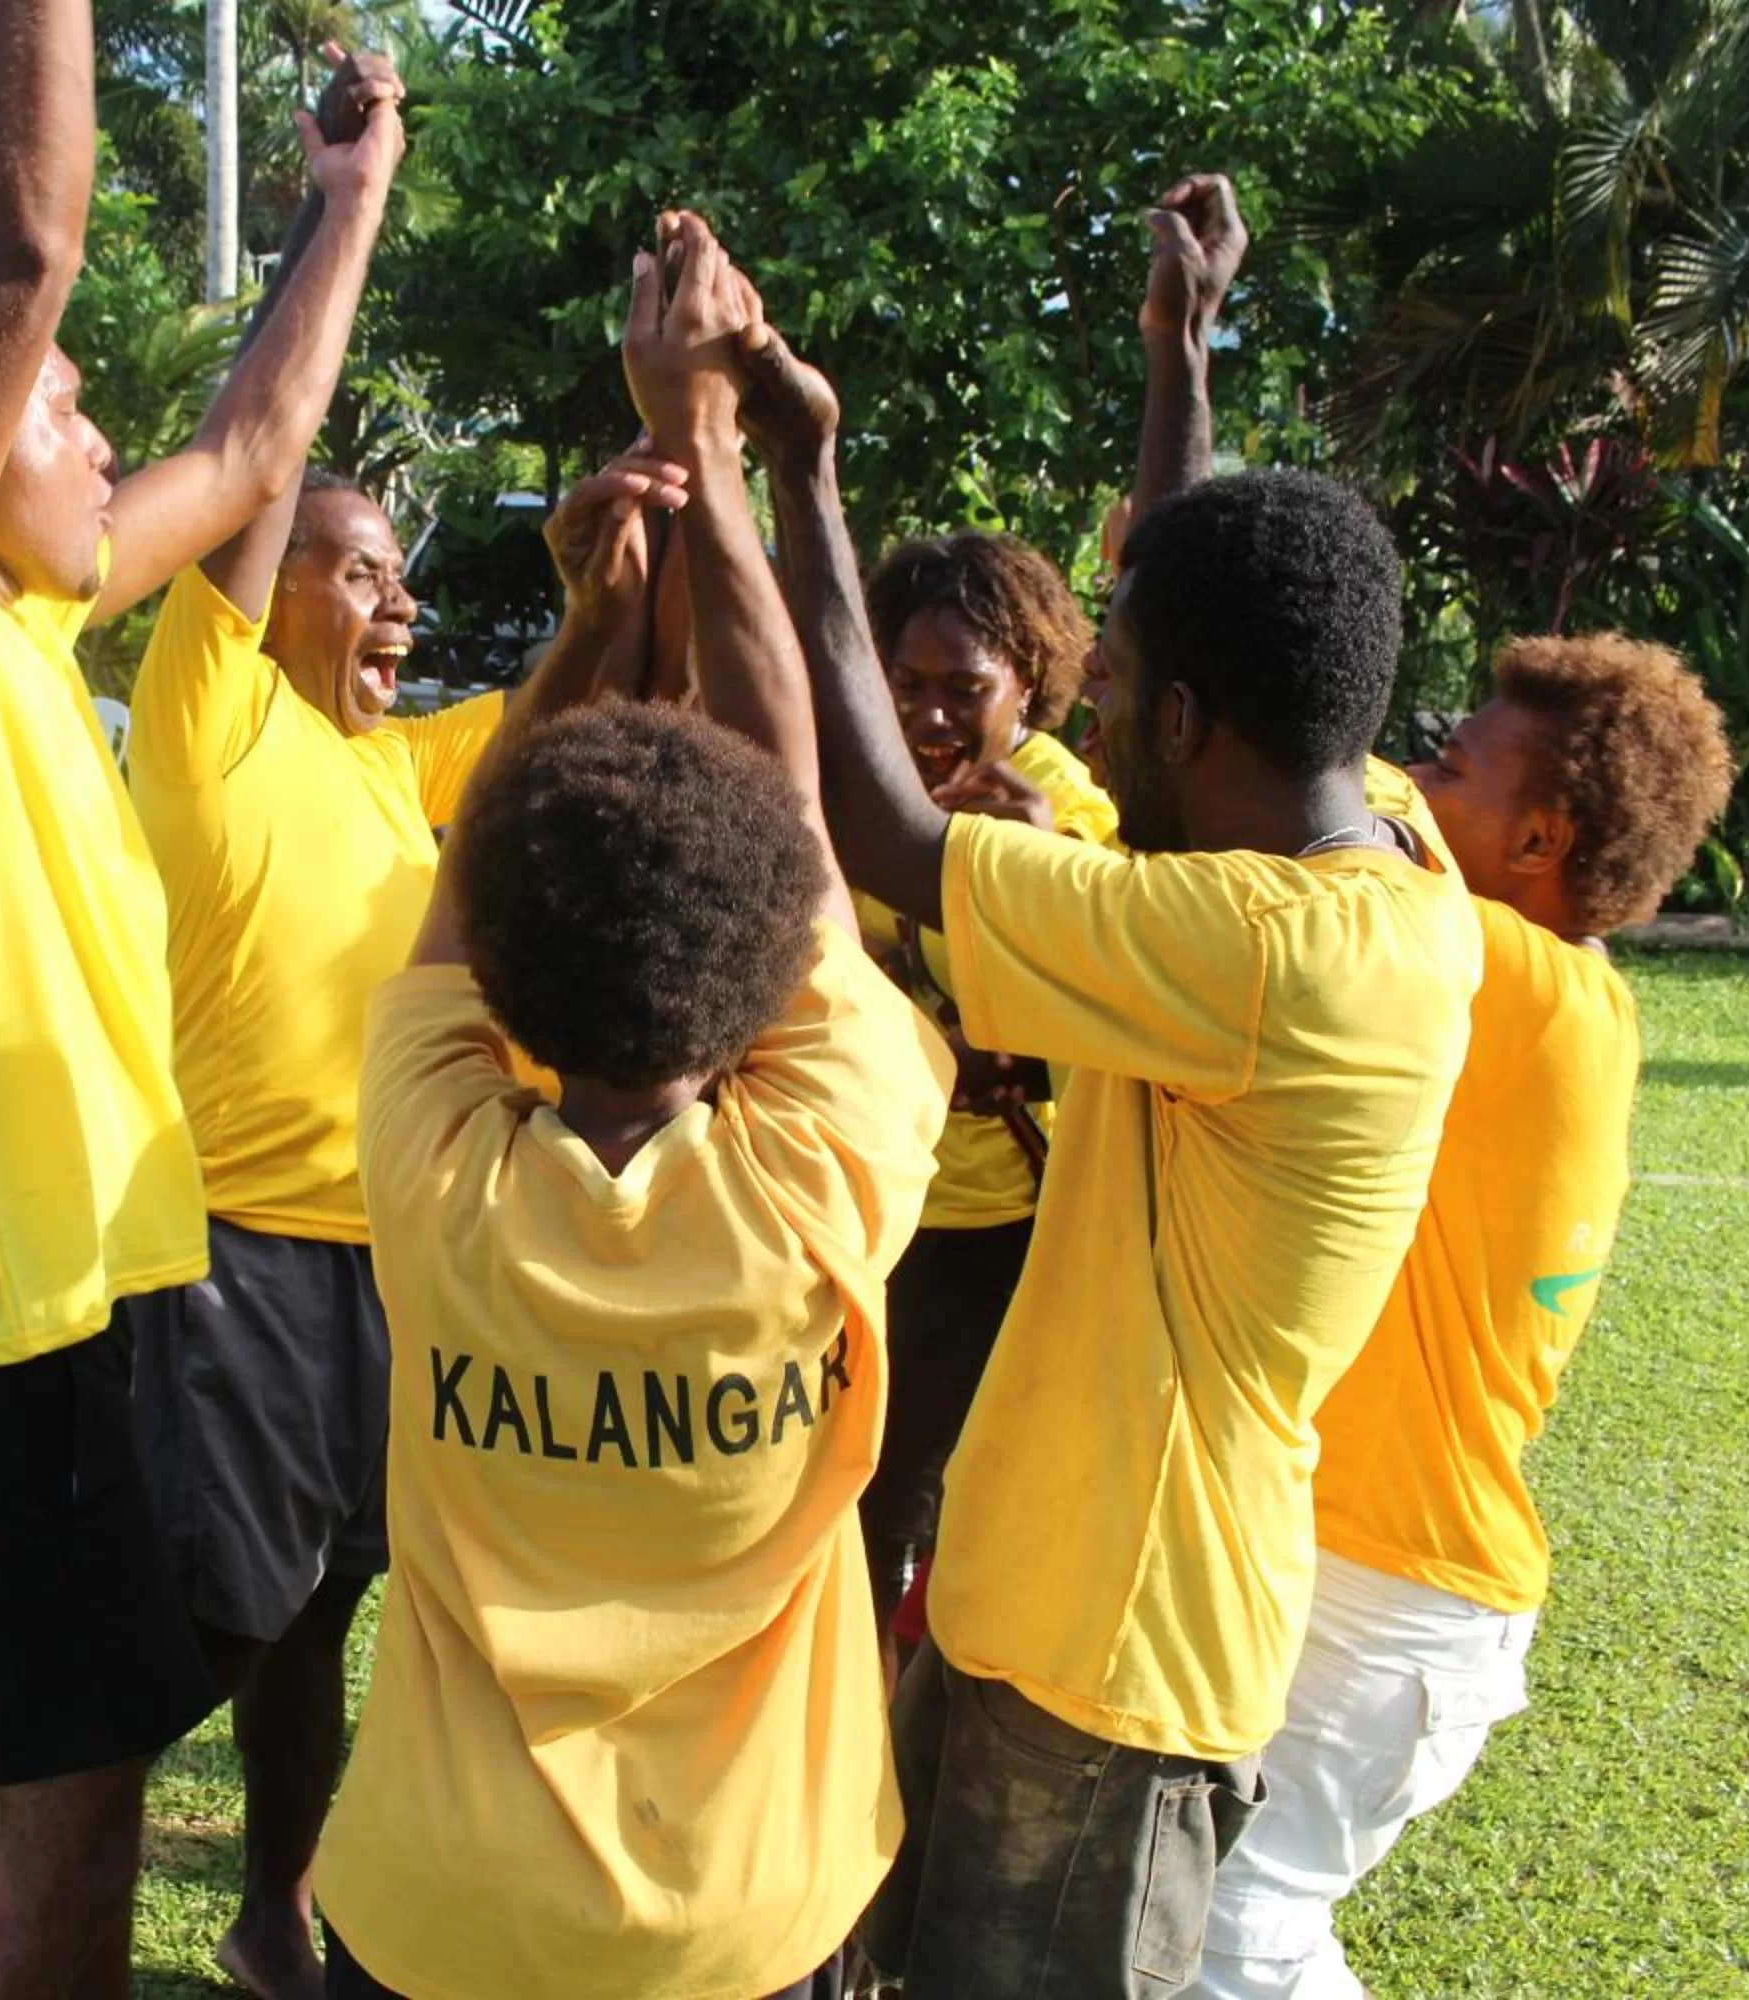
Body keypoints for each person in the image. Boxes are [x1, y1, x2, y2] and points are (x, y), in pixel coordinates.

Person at [748, 173, 1485, 1996]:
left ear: (1179, 729)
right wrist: (1181, 348)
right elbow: (1193, 575)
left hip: (1111, 1670)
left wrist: (806, 471)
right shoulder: (1373, 843)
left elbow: (886, 832)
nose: (1090, 704)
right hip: (1045, 1606)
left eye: (1119, 682)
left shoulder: (1260, 950)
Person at [0, 0, 409, 1985]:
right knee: (60, 1823)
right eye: (51, 406)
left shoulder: (28, 629)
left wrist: (346, 203)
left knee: (87, 1789)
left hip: (72, 1307)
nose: (95, 432)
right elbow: (17, 249)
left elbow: (254, 451)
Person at [316, 213, 950, 2000]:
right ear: (759, 976)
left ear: (507, 986)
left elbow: (471, 865)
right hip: (745, 1921)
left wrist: (599, 610)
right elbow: (802, 807)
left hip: (442, 1918)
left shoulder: (434, 1160)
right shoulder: (823, 1171)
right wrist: (712, 435)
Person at [1187, 635, 1733, 2000]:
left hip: (1391, 1608)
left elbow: (1314, 788)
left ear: (1541, 835)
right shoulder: (1538, 997)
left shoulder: (1521, 987)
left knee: (1224, 1946)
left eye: (1453, 763)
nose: (1419, 778)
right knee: (1227, 1933)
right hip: (1385, 1587)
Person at [112, 61, 454, 1993]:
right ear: (271, 597)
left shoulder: (399, 772)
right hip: (239, 1263)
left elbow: (591, 688)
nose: (389, 599)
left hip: (397, 1266)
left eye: (400, 574)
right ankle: (54, 1849)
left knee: (330, 1615)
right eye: (352, 565)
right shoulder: (217, 710)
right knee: (213, 1631)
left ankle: (274, 1921)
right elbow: (267, 441)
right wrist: (347, 205)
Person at [850, 529, 1115, 1633]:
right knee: (850, 1496)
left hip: (1000, 1216)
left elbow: (1111, 952)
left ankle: (907, 1741)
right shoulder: (858, 773)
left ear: (1030, 681)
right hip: (863, 1196)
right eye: (905, 684)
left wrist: (1045, 859)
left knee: (931, 1503)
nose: (929, 716)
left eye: (966, 688)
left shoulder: (1059, 797)